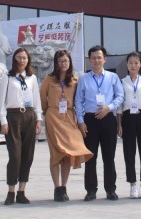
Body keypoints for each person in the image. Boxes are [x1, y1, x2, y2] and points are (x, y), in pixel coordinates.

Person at [40, 49, 93, 202]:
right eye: (60, 61)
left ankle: (64, 186)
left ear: (70, 63)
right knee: (56, 153)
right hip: (53, 117)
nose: (63, 63)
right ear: (56, 63)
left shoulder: (75, 80)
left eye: (66, 61)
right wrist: (47, 113)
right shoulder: (49, 79)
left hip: (69, 117)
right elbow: (42, 98)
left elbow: (79, 99)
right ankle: (57, 188)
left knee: (67, 154)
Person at [75, 45, 124, 201]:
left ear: (105, 59)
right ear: (89, 60)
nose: (96, 60)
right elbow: (78, 101)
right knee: (90, 157)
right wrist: (81, 121)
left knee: (109, 157)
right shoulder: (84, 79)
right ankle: (91, 190)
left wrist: (109, 107)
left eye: (99, 57)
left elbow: (120, 96)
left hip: (108, 118)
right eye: (93, 58)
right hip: (90, 120)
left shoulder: (112, 77)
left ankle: (110, 189)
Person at [0, 47, 42, 205]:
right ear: (14, 59)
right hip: (13, 117)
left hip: (29, 115)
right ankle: (11, 191)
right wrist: (3, 120)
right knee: (15, 156)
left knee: (28, 155)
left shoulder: (32, 78)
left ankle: (21, 191)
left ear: (28, 60)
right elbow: (1, 101)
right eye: (19, 57)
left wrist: (38, 119)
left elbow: (37, 100)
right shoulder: (8, 77)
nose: (22, 60)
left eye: (24, 58)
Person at [117, 52, 141, 199]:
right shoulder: (122, 82)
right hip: (128, 117)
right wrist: (119, 124)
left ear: (140, 64)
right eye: (130, 63)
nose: (133, 65)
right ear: (127, 65)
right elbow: (119, 106)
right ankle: (132, 184)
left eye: (136, 63)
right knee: (129, 152)